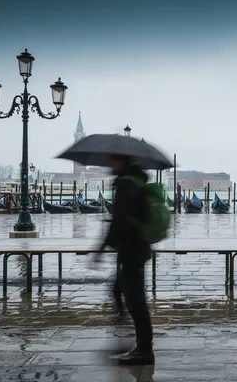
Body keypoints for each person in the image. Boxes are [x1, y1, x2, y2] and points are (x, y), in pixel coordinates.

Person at [96, 154, 154, 365]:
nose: (107, 165)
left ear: (120, 162)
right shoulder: (133, 182)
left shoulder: (126, 185)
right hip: (135, 248)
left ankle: (144, 350)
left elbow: (118, 221)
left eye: (110, 161)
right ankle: (135, 338)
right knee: (120, 291)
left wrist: (100, 250)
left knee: (137, 302)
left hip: (133, 249)